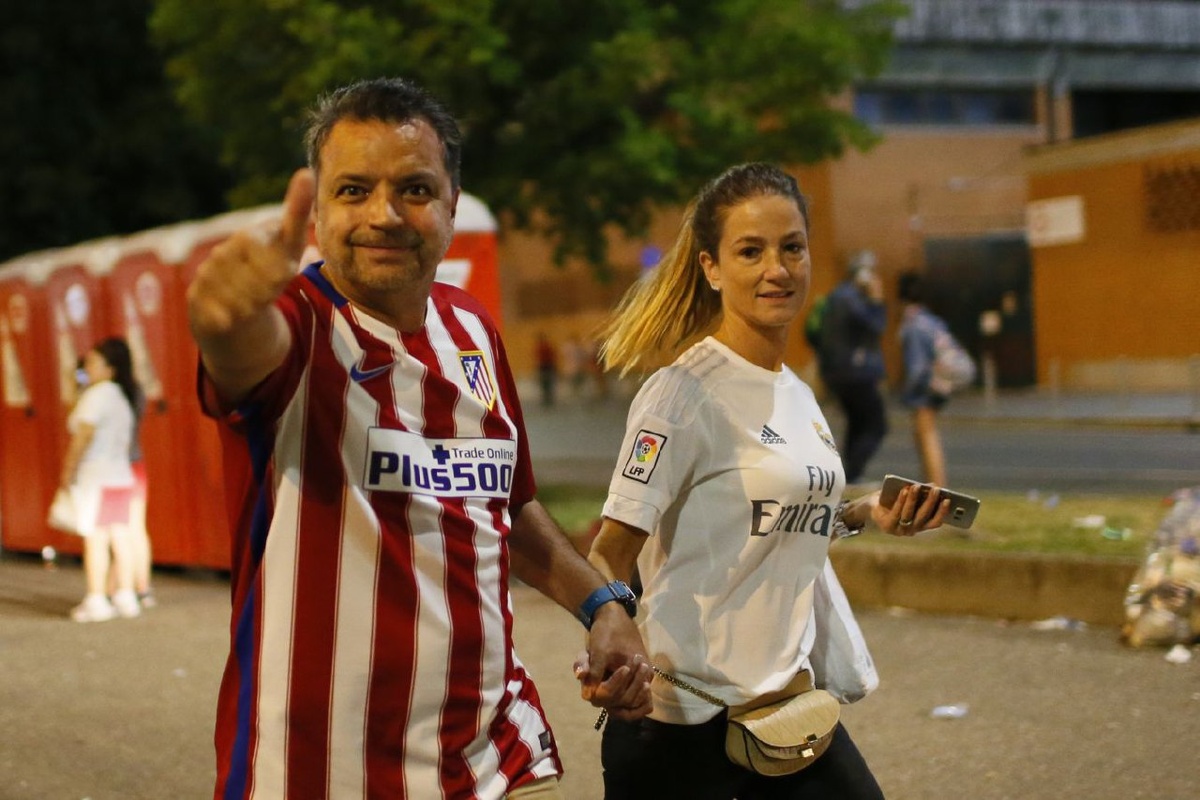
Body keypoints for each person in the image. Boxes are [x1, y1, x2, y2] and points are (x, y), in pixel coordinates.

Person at [185, 77, 652, 799]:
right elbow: (248, 356)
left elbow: (508, 504)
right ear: (317, 213)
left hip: (485, 759)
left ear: (452, 203)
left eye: (414, 189)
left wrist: (602, 606)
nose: (385, 214)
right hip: (320, 773)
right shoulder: (299, 327)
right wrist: (226, 324)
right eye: (353, 190)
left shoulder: (472, 329)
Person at [586, 163, 950, 799]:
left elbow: (772, 521)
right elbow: (607, 553)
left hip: (785, 708)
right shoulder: (682, 394)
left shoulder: (799, 395)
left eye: (792, 248)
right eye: (750, 251)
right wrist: (609, 632)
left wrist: (865, 512)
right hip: (684, 723)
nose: (777, 269)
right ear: (711, 267)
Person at [59, 338, 142, 622]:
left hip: (96, 476)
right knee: (120, 536)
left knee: (96, 539)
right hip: (120, 476)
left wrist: (67, 471)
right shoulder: (121, 396)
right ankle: (125, 596)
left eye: (93, 362)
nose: (87, 368)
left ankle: (96, 599)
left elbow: (83, 436)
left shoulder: (97, 396)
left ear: (110, 368)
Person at [816, 251, 888, 485]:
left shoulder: (837, 296)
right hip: (856, 373)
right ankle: (853, 472)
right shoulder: (851, 298)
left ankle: (851, 474)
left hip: (840, 372)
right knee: (876, 425)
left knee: (856, 423)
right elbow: (876, 325)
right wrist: (876, 300)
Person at [897, 271, 950, 486]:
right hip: (936, 384)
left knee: (927, 437)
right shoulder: (931, 321)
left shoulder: (913, 324)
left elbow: (917, 367)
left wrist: (907, 393)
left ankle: (936, 485)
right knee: (926, 436)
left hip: (923, 390)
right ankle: (934, 484)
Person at [535, 331, 559, 407]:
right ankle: (547, 398)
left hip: (545, 366)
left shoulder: (543, 347)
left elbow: (551, 357)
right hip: (545, 366)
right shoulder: (544, 346)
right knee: (546, 384)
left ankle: (547, 398)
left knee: (546, 384)